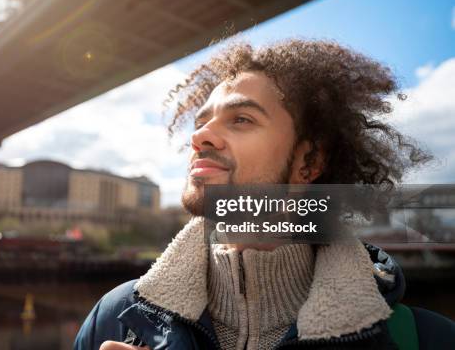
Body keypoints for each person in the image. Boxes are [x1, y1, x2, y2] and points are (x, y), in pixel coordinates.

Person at [74, 39, 455, 349]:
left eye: (241, 119)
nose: (198, 136)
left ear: (310, 161)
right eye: (201, 122)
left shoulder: (428, 340)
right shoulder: (113, 319)